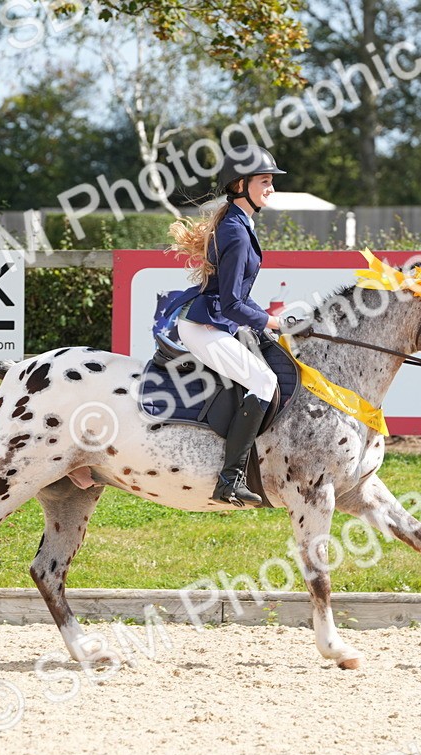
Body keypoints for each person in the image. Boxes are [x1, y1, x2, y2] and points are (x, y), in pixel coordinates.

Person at [166, 145, 286, 506]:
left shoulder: (240, 223)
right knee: (264, 382)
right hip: (205, 327)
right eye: (264, 181)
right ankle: (229, 480)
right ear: (239, 185)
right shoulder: (235, 231)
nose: (271, 188)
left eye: (271, 181)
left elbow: (237, 296)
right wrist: (269, 320)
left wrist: (270, 322)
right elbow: (233, 304)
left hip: (216, 322)